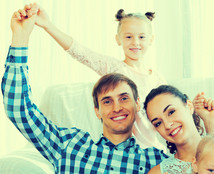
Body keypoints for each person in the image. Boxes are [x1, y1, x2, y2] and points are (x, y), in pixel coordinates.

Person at [2, 8, 170, 174]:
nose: (117, 107)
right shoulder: (71, 144)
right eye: (107, 101)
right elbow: (19, 109)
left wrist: (210, 123)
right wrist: (20, 38)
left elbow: (202, 166)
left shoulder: (155, 161)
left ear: (138, 104)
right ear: (97, 111)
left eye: (124, 99)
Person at [21, 3, 167, 149]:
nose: (135, 42)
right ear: (118, 39)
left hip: (153, 148)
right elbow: (81, 52)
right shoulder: (116, 69)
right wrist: (48, 25)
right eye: (129, 36)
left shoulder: (157, 79)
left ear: (151, 39)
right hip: (126, 148)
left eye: (141, 37)